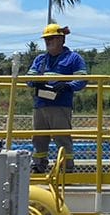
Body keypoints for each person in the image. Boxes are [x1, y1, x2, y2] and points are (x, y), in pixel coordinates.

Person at [29, 23, 87, 171]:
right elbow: (29, 78)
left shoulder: (73, 58)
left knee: (62, 137)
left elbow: (82, 79)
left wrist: (67, 86)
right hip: (41, 105)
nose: (48, 42)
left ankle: (66, 168)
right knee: (39, 138)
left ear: (62, 39)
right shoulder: (40, 60)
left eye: (52, 38)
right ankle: (38, 165)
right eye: (46, 39)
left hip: (60, 105)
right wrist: (36, 82)